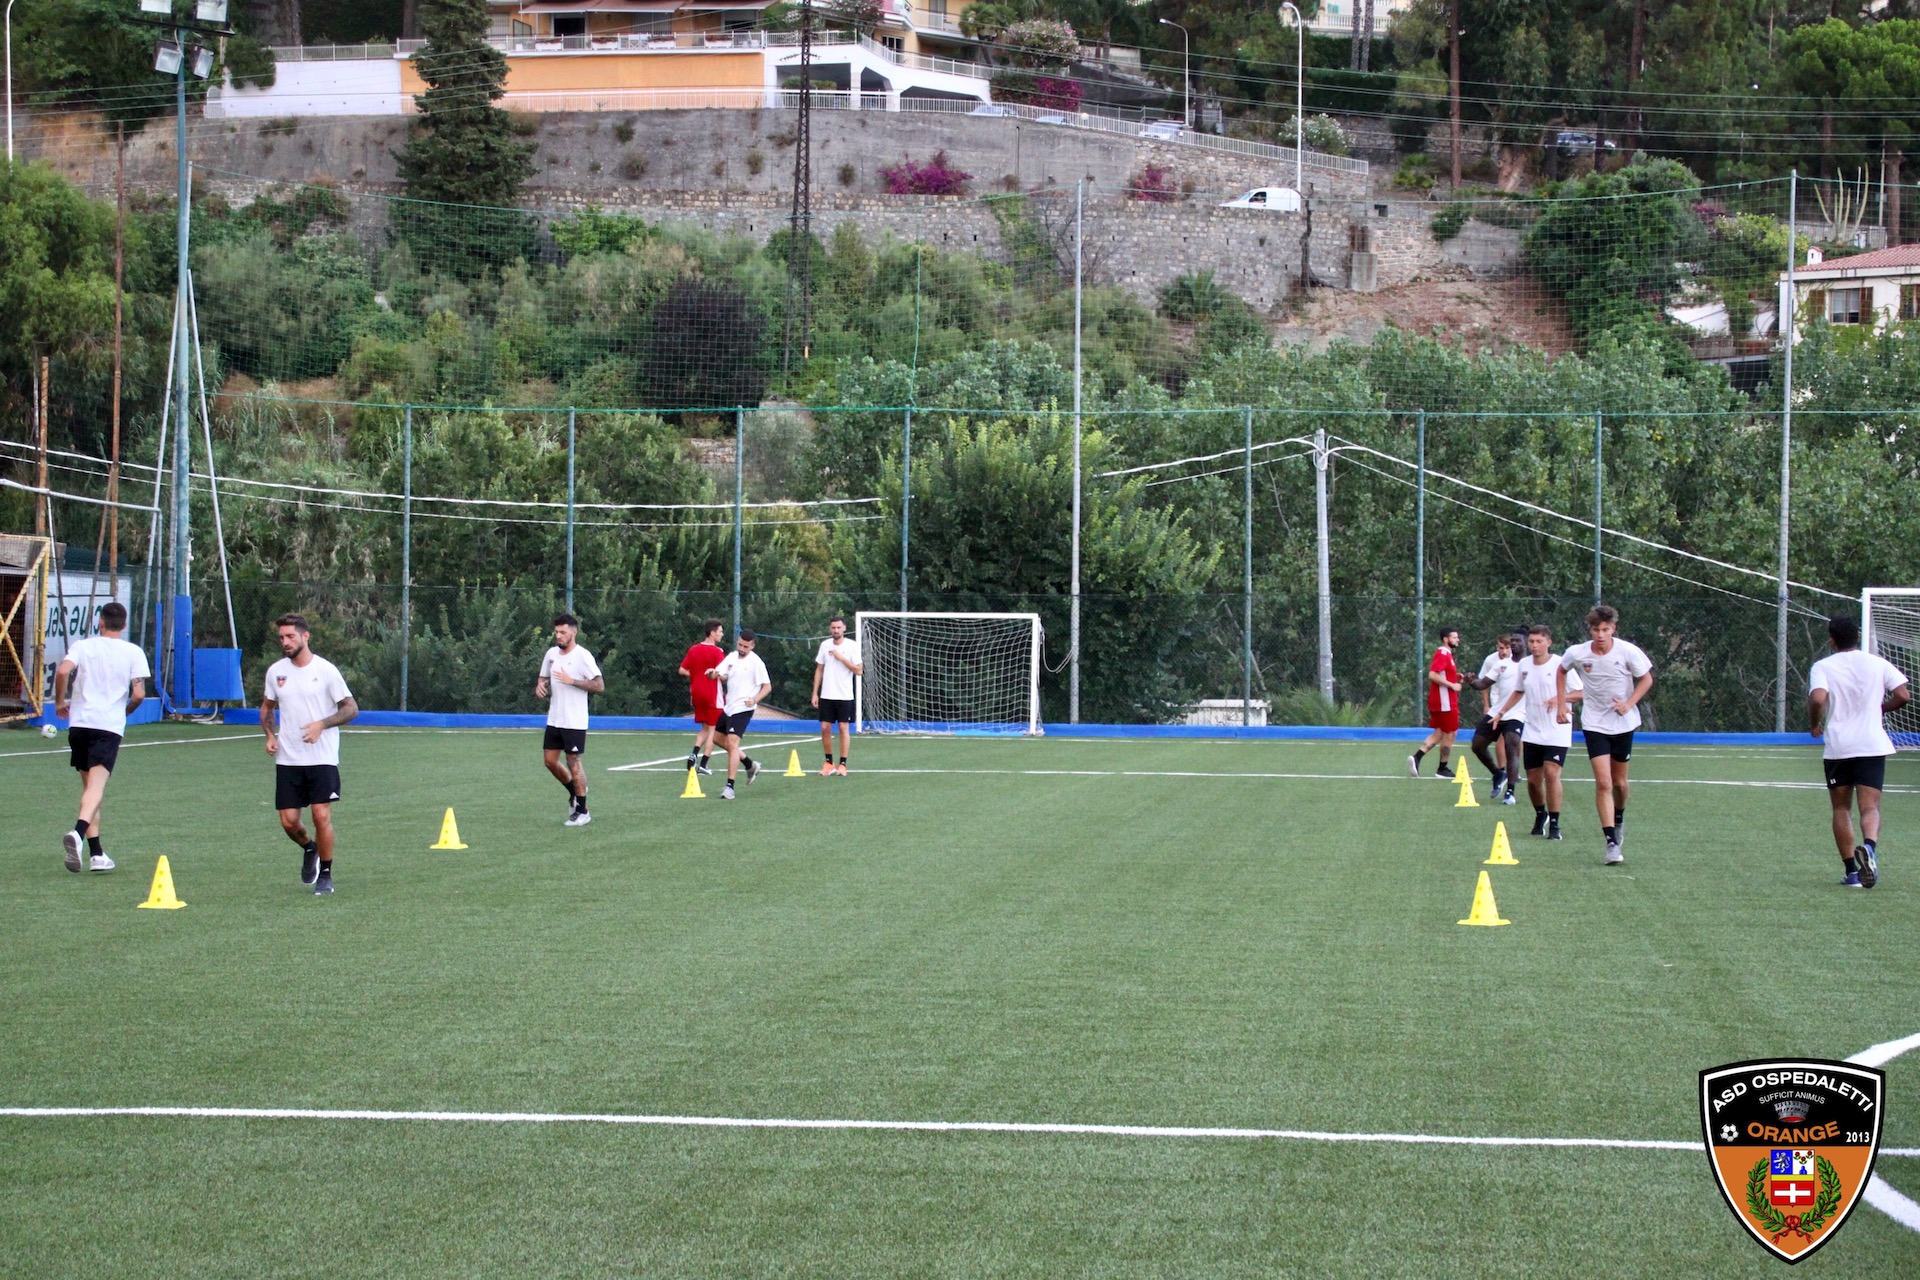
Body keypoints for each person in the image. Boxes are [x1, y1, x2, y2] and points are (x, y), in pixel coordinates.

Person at [1808, 613, 1910, 888]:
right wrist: (1880, 708)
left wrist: (1815, 723)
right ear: (1858, 636)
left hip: (1840, 747)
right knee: (1870, 807)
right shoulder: (1878, 663)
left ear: (1832, 641)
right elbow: (1903, 696)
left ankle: (1852, 872)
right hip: (1871, 744)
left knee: (1841, 808)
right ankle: (1870, 849)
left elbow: (1818, 698)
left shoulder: (1823, 666)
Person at [261, 613, 358, 895]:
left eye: (290, 636)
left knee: (320, 815)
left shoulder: (326, 670)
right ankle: (310, 848)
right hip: (289, 758)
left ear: (305, 636)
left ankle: (326, 874)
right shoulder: (276, 672)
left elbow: (351, 708)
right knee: (289, 821)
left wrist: (322, 724)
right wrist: (269, 736)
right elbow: (267, 708)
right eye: (281, 637)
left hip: (322, 757)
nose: (285, 642)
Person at [52, 601, 149, 874]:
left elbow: (62, 670)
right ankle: (77, 834)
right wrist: (125, 710)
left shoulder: (84, 646)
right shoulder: (133, 651)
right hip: (107, 726)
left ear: (101, 623)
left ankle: (97, 855)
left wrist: (60, 702)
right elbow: (139, 693)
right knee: (96, 788)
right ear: (125, 625)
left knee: (90, 791)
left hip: (80, 724)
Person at [1557, 604, 1653, 866]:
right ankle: (1611, 842)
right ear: (1590, 629)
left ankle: (1619, 818)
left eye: (1605, 629)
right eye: (1596, 629)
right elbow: (1561, 670)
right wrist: (1561, 704)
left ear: (1613, 629)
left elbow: (1646, 679)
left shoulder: (1628, 651)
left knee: (1620, 783)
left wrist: (1629, 703)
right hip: (1594, 723)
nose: (1600, 634)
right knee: (1604, 783)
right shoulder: (1578, 653)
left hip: (1623, 723)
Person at [1495, 624, 1582, 842]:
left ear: (1548, 642)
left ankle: (1554, 823)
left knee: (1551, 774)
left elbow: (1580, 692)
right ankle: (1540, 814)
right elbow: (1518, 690)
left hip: (1557, 729)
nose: (1534, 645)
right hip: (1532, 730)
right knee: (1534, 781)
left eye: (1539, 641)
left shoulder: (1561, 664)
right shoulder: (1524, 665)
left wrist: (1560, 700)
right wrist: (1502, 711)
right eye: (1531, 642)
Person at [536, 613, 604, 827]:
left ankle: (583, 810)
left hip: (574, 720)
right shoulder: (551, 654)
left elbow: (599, 686)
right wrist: (540, 685)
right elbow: (543, 676)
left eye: (563, 632)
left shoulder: (583, 656)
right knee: (549, 761)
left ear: (574, 632)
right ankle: (574, 792)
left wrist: (572, 681)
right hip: (555, 718)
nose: (559, 636)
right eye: (556, 632)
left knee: (573, 762)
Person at [707, 628, 772, 800]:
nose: (742, 648)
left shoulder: (756, 663)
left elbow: (767, 686)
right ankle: (750, 765)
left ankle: (730, 787)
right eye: (740, 644)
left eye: (746, 646)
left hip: (743, 708)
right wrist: (712, 674)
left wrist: (755, 699)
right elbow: (721, 675)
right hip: (729, 707)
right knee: (717, 739)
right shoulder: (731, 657)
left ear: (752, 646)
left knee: (732, 743)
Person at [1468, 631, 1526, 804]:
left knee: (1511, 743)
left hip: (1518, 713)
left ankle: (1510, 791)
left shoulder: (1529, 664)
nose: (1514, 644)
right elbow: (1483, 683)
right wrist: (1471, 681)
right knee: (1477, 745)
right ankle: (1498, 773)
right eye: (1512, 641)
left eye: (1517, 641)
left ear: (1526, 644)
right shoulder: (1502, 664)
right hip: (1497, 711)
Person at [810, 615, 864, 776]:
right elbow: (819, 669)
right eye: (833, 627)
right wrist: (815, 693)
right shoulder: (825, 645)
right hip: (827, 695)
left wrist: (841, 658)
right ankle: (828, 763)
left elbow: (859, 670)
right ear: (830, 629)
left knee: (843, 728)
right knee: (825, 728)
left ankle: (843, 764)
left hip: (845, 695)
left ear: (844, 628)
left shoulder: (852, 646)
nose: (836, 630)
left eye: (838, 627)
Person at [1409, 627, 1463, 779]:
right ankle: (1442, 768)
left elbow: (1442, 674)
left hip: (1443, 701)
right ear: (1446, 639)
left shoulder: (1448, 655)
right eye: (1454, 637)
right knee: (1451, 732)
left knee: (1440, 732)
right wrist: (1452, 685)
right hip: (1444, 702)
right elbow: (1432, 674)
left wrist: (1455, 678)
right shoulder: (1443, 653)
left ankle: (1417, 758)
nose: (1457, 640)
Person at [678, 619, 726, 775]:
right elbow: (723, 676)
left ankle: (693, 755)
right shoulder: (718, 652)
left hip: (697, 693)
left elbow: (682, 670)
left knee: (705, 728)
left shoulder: (693, 649)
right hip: (712, 694)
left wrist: (697, 675)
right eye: (720, 631)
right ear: (712, 633)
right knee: (714, 729)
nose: (721, 634)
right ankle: (704, 764)